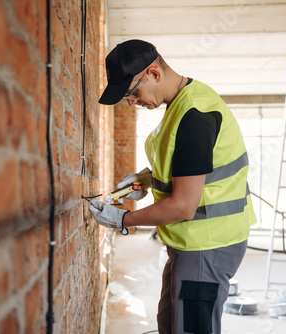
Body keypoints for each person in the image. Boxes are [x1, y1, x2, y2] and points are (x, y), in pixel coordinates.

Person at [89, 39, 257, 334]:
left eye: (132, 93)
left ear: (153, 73)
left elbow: (182, 205)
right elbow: (188, 168)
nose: (132, 102)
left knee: (190, 328)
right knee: (170, 323)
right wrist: (145, 180)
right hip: (192, 243)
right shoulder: (182, 104)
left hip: (208, 244)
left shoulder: (195, 116)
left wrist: (123, 220)